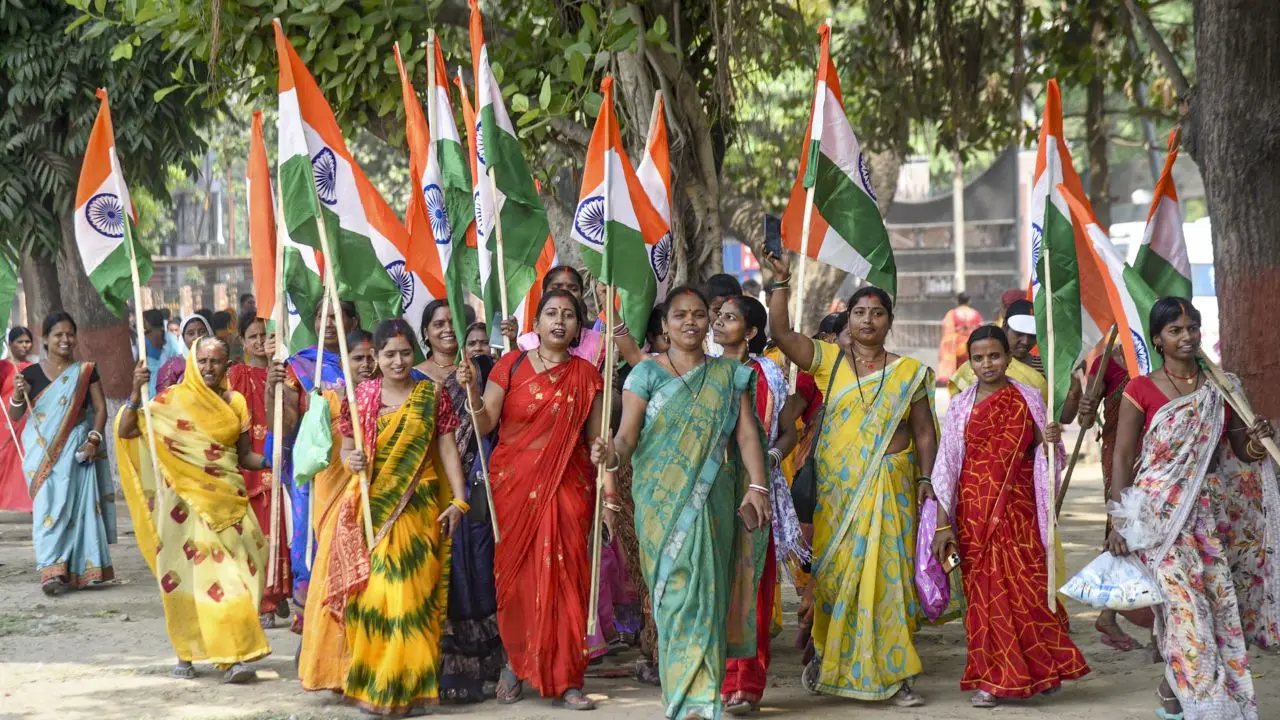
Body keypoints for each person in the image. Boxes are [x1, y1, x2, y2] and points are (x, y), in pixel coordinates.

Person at [766, 252, 938, 706]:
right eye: (859, 313)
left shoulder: (909, 373)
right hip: (839, 497)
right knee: (837, 578)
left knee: (889, 582)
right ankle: (830, 660)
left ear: (889, 321)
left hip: (892, 490)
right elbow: (781, 334)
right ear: (849, 319)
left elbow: (923, 432)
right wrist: (780, 281)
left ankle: (897, 675)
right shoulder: (829, 362)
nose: (867, 320)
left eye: (876, 313)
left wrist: (926, 480)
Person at [599, 286, 771, 720]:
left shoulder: (729, 374)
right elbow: (626, 437)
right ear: (664, 325)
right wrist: (611, 456)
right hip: (661, 504)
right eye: (680, 315)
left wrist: (758, 486)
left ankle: (702, 700)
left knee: (709, 595)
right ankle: (682, 697)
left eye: (699, 314)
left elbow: (747, 433)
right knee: (675, 599)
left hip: (714, 502)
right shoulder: (646, 375)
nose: (691, 322)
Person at [1106, 297, 1277, 720]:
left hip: (1208, 518)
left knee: (1216, 610)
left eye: (1192, 328)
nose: (1186, 337)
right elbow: (1123, 457)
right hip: (1158, 519)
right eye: (1175, 330)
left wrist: (1259, 437)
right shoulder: (1140, 388)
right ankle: (1207, 706)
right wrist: (1118, 521)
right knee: (1186, 611)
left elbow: (1243, 451)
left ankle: (1172, 689)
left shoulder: (1223, 385)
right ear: (1158, 339)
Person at [457, 289, 613, 711]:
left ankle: (568, 678)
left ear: (579, 327)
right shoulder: (510, 365)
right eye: (550, 313)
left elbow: (599, 439)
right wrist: (472, 392)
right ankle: (515, 662)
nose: (559, 321)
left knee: (567, 582)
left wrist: (604, 451)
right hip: (514, 489)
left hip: (568, 488)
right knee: (518, 582)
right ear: (537, 323)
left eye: (568, 315)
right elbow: (486, 420)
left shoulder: (586, 375)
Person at [304, 319, 469, 714]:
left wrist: (460, 500)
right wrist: (352, 458)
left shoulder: (432, 395)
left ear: (415, 353)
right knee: (375, 599)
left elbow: (447, 449)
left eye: (405, 353)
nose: (398, 361)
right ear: (376, 358)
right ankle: (375, 685)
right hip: (372, 510)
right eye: (389, 354)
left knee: (412, 600)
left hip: (419, 508)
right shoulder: (362, 397)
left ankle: (408, 687)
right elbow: (346, 451)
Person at [930, 325, 1089, 708]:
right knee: (985, 598)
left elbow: (1046, 455)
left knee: (1029, 590)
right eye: (979, 358)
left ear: (1008, 357)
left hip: (1018, 511)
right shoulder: (961, 406)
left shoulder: (1029, 398)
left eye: (995, 356)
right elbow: (947, 466)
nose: (987, 364)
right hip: (974, 512)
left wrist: (1051, 440)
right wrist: (941, 522)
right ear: (970, 362)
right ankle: (990, 679)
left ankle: (1041, 669)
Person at [116, 336, 273, 682]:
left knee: (250, 571)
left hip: (229, 500)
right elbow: (128, 430)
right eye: (202, 361)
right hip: (186, 508)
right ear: (191, 362)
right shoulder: (170, 401)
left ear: (227, 363)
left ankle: (224, 650)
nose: (208, 368)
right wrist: (133, 392)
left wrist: (272, 461)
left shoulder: (236, 402)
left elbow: (244, 455)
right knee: (203, 579)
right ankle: (225, 657)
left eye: (216, 361)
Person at [712, 294, 803, 714]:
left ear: (750, 332)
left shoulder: (768, 373)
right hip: (710, 489)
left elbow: (788, 432)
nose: (718, 322)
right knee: (714, 586)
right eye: (718, 315)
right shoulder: (703, 368)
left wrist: (769, 458)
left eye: (729, 317)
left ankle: (746, 684)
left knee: (752, 586)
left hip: (756, 490)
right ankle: (713, 679)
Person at [413, 300, 505, 704]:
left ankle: (485, 664)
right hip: (433, 487)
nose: (446, 329)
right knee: (441, 571)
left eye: (453, 323)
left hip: (477, 481)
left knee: (479, 567)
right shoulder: (413, 376)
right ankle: (445, 668)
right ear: (426, 333)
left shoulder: (482, 370)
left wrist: (472, 385)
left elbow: (493, 421)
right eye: (438, 324)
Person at [288, 328, 378, 692]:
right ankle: (333, 671)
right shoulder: (325, 400)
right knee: (333, 576)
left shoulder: (389, 398)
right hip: (335, 499)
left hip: (376, 499)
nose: (367, 365)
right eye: (358, 358)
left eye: (372, 357)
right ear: (344, 363)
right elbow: (308, 459)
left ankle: (365, 666)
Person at [8, 312, 113, 594]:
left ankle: (81, 571)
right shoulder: (28, 374)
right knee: (48, 509)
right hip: (43, 454)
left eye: (69, 334)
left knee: (78, 507)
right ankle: (50, 571)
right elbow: (15, 415)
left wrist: (93, 439)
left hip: (78, 447)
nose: (65, 340)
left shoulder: (86, 371)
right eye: (58, 335)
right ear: (45, 339)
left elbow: (100, 408)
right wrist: (19, 395)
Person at [278, 300, 361, 630]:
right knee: (312, 545)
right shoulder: (299, 367)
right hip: (317, 474)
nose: (329, 323)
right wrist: (277, 391)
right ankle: (313, 629)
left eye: (337, 317)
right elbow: (286, 423)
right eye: (322, 317)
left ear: (354, 322)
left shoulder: (367, 360)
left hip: (359, 467)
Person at [227, 312, 290, 626]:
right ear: (243, 341)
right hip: (249, 463)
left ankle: (277, 591)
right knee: (255, 534)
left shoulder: (288, 373)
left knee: (279, 530)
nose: (260, 342)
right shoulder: (237, 374)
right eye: (253, 336)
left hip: (280, 461)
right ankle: (263, 601)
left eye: (267, 335)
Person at [1077, 352, 1140, 652]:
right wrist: (1086, 407)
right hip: (1118, 453)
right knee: (1120, 527)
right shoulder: (1105, 362)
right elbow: (1085, 420)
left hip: (1158, 448)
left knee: (1155, 530)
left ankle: (1116, 615)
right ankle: (1109, 613)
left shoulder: (1155, 356)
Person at [948, 300, 1082, 423]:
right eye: (1019, 334)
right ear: (1005, 326)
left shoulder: (1046, 366)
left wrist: (1074, 393)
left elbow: (1064, 417)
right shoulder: (977, 366)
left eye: (1032, 336)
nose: (1025, 341)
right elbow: (958, 418)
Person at [936, 292, 984, 386]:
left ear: (957, 301)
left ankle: (959, 389)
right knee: (971, 369)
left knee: (958, 370)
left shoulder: (952, 314)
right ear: (969, 301)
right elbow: (980, 329)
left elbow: (947, 332)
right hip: (973, 345)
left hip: (958, 347)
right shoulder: (976, 314)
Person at [156, 314, 212, 393]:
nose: (197, 337)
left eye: (202, 332)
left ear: (209, 333)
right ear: (183, 338)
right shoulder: (173, 366)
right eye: (191, 333)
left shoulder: (218, 362)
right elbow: (163, 398)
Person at [140, 310, 185, 397]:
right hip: (168, 381)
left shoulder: (143, 339)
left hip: (148, 385)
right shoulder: (171, 337)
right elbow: (178, 358)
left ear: (147, 323)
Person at [703, 273, 743, 357]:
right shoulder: (700, 344)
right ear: (706, 310)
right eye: (718, 313)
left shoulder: (750, 346)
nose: (720, 321)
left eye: (730, 316)